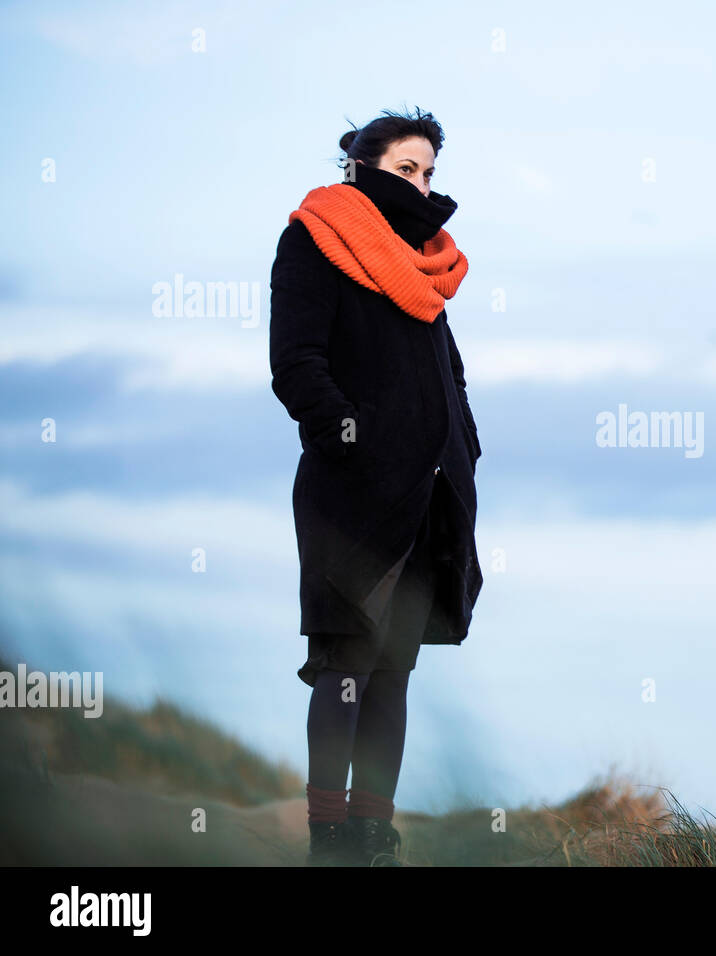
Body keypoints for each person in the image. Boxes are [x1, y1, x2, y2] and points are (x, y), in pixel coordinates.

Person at [269, 106, 485, 866]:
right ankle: (328, 840)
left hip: (427, 492)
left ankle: (371, 839)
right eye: (406, 170)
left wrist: (464, 447)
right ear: (360, 167)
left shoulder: (422, 262)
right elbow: (296, 366)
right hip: (351, 494)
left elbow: (443, 377)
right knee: (346, 666)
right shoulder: (314, 241)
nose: (422, 186)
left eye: (429, 173)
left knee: (393, 671)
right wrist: (348, 440)